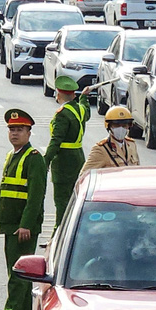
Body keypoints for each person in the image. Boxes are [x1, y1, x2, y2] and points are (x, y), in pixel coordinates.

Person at [0, 109, 47, 310]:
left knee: (17, 276)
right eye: (12, 129)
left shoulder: (34, 159)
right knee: (17, 274)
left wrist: (26, 225)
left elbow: (35, 196)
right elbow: (4, 192)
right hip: (9, 224)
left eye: (20, 130)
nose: (14, 134)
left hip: (22, 227)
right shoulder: (11, 156)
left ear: (29, 132)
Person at [44, 75, 91, 230]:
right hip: (78, 158)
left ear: (58, 94)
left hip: (63, 163)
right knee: (75, 198)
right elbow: (87, 112)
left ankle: (58, 234)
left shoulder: (62, 114)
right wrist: (84, 97)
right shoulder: (79, 109)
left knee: (62, 202)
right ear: (73, 95)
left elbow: (56, 140)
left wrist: (46, 160)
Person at [81, 106, 140, 173]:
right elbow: (84, 175)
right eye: (116, 125)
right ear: (109, 126)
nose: (121, 129)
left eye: (124, 125)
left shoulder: (132, 145)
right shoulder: (101, 149)